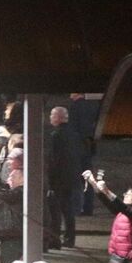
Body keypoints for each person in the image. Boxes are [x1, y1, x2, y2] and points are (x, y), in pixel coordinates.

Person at [85, 170, 132, 263]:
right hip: (117, 256)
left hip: (130, 259)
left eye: (129, 194)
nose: (126, 195)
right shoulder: (121, 213)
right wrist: (93, 184)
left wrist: (107, 190)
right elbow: (107, 202)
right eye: (126, 193)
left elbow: (121, 205)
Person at [47, 105, 85, 248]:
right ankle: (70, 238)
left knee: (55, 211)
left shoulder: (56, 135)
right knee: (68, 210)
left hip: (59, 180)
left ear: (58, 117)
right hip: (72, 178)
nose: (50, 118)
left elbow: (54, 160)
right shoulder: (74, 134)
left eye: (52, 115)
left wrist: (51, 181)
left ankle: (54, 239)